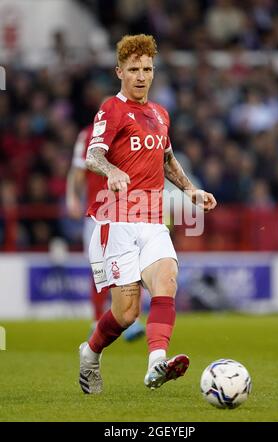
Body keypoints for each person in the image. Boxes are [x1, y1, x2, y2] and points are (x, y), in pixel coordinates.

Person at [79, 34, 217, 394]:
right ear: (119, 71)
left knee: (167, 278)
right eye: (134, 69)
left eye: (147, 69)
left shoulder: (159, 114)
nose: (141, 76)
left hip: (153, 219)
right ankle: (90, 354)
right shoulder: (111, 108)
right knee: (126, 314)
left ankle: (157, 362)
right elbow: (92, 155)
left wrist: (190, 190)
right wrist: (111, 170)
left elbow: (167, 158)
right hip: (117, 219)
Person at [66, 123, 145, 340]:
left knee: (130, 265)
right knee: (99, 268)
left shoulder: (133, 132)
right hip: (98, 211)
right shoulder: (89, 134)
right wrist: (73, 196)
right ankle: (97, 319)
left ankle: (131, 319)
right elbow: (79, 170)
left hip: (127, 210)